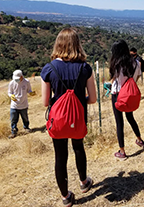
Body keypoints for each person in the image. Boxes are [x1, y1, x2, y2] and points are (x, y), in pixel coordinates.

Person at [41, 28, 97, 207]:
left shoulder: (48, 69)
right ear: (77, 44)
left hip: (57, 120)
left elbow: (44, 102)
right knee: (78, 147)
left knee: (60, 155)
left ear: (58, 44)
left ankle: (65, 196)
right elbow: (93, 98)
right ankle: (83, 182)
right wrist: (78, 100)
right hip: (78, 117)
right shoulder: (85, 68)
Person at [110, 39, 144, 160]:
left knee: (119, 122)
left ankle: (122, 151)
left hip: (118, 96)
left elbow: (115, 81)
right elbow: (137, 76)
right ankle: (140, 140)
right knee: (130, 117)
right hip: (130, 95)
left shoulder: (117, 65)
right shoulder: (135, 63)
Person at [8, 69, 35, 139]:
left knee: (25, 118)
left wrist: (31, 93)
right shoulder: (12, 83)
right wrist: (11, 96)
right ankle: (13, 131)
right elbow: (9, 92)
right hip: (14, 105)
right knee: (13, 119)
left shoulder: (26, 82)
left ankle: (26, 128)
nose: (16, 80)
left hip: (24, 104)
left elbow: (29, 90)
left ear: (21, 77)